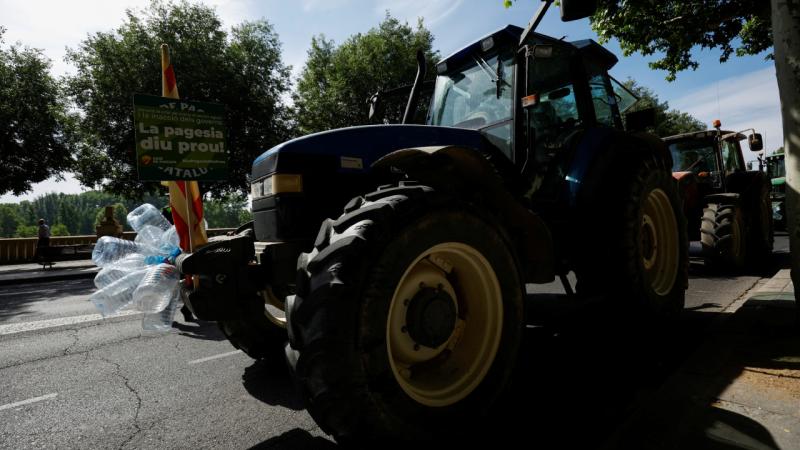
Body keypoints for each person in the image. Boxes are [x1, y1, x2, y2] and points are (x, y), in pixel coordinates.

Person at [161, 205, 197, 324]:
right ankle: (185, 310)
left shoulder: (172, 208)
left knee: (177, 285)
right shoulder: (176, 208)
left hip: (176, 254)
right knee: (185, 283)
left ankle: (183, 311)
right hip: (176, 253)